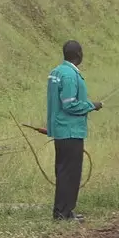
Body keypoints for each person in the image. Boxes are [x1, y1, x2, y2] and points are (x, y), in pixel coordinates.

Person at [45, 39, 101, 221]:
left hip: (61, 131)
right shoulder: (69, 75)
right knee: (71, 173)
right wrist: (91, 105)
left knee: (62, 172)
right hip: (70, 131)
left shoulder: (56, 72)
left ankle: (61, 211)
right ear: (79, 54)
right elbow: (69, 104)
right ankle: (65, 213)